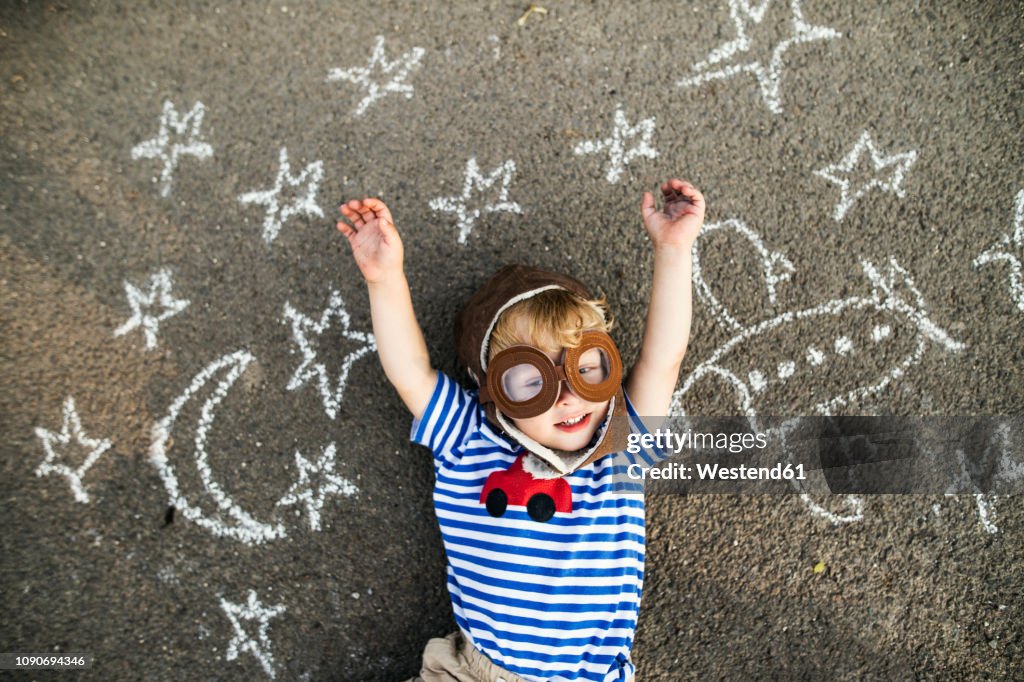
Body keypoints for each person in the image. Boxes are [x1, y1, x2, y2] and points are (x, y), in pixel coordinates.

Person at [336, 178, 705, 682]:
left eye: (586, 368)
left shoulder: (619, 445)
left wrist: (674, 248)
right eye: (532, 381)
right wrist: (384, 278)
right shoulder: (470, 436)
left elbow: (664, 358)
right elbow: (410, 371)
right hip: (475, 671)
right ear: (492, 393)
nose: (567, 395)